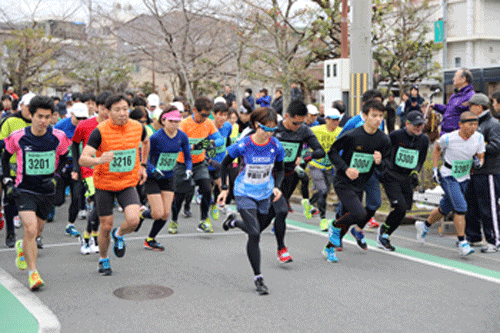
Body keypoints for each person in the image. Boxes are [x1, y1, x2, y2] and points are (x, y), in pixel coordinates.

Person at [3, 95, 71, 290]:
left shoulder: (58, 136)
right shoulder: (18, 136)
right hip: (25, 189)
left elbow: (66, 159)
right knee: (31, 229)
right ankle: (33, 273)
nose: (43, 121)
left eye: (47, 117)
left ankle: (21, 248)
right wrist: (7, 180)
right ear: (31, 115)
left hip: (46, 191)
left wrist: (57, 176)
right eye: (39, 116)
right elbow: (5, 157)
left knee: (37, 231)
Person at [79, 94, 150, 276]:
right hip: (105, 184)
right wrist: (99, 159)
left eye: (125, 109)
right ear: (108, 112)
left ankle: (119, 235)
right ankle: (103, 259)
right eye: (117, 110)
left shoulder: (138, 127)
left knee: (134, 220)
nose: (122, 113)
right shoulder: (100, 131)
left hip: (127, 182)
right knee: (106, 225)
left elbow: (146, 142)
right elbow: (83, 159)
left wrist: (143, 165)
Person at [217, 107, 284, 295]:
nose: (269, 133)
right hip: (244, 192)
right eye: (265, 128)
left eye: (272, 129)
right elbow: (225, 163)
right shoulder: (244, 144)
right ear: (256, 125)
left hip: (265, 193)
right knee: (255, 234)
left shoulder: (276, 145)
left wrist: (277, 186)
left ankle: (234, 222)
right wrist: (224, 187)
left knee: (258, 227)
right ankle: (258, 278)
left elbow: (280, 169)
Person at [323, 99, 391, 263]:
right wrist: (345, 168)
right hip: (343, 182)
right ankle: (334, 226)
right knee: (359, 214)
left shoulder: (383, 140)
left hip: (360, 183)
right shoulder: (353, 135)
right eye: (374, 115)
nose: (378, 119)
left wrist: (380, 161)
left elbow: (386, 166)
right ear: (365, 116)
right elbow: (332, 152)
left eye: (381, 116)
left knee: (353, 218)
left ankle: (329, 248)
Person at [415, 112, 484, 256]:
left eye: (476, 124)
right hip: (448, 175)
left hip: (464, 176)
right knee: (461, 207)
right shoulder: (449, 138)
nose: (473, 128)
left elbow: (480, 156)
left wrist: (479, 162)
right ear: (460, 125)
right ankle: (462, 242)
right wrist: (435, 169)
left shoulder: (478, 138)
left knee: (445, 208)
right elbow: (437, 150)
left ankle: (424, 225)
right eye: (470, 124)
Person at [269, 99, 325, 262]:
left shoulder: (304, 130)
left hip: (289, 176)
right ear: (286, 116)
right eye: (294, 123)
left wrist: (308, 156)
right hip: (269, 175)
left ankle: (245, 226)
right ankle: (281, 249)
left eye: (301, 123)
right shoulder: (274, 129)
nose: (297, 127)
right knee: (278, 211)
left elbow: (320, 151)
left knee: (276, 213)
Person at [169, 96, 224, 234]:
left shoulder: (209, 123)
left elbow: (220, 140)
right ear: (194, 110)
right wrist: (192, 146)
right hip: (183, 164)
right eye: (203, 114)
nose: (205, 117)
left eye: (208, 114)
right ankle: (174, 221)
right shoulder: (184, 124)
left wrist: (208, 144)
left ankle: (203, 221)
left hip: (200, 163)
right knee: (180, 195)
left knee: (206, 189)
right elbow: (176, 144)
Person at [140, 106, 191, 249]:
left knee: (165, 213)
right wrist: (152, 169)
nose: (174, 124)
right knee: (157, 213)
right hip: (153, 177)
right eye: (171, 121)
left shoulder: (182, 136)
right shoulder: (156, 137)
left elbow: (188, 157)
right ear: (163, 121)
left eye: (177, 121)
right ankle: (143, 214)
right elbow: (144, 156)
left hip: (168, 177)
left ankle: (150, 239)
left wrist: (189, 169)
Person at [378, 111, 429, 251]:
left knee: (404, 210)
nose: (419, 128)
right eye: (416, 125)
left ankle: (385, 230)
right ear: (407, 124)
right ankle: (384, 236)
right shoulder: (396, 135)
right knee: (399, 207)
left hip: (407, 178)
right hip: (391, 175)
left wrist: (415, 172)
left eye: (421, 125)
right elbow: (383, 151)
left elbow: (421, 159)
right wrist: (384, 167)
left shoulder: (424, 140)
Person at [72, 90, 112, 255]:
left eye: (109, 109)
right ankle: (91, 238)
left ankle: (88, 235)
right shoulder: (84, 125)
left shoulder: (116, 126)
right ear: (96, 107)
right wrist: (76, 168)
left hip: (109, 170)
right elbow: (74, 145)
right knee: (96, 200)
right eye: (103, 108)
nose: (106, 112)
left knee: (100, 205)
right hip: (89, 170)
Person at [464, 93, 500, 253]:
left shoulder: (492, 124)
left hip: (489, 171)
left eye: (471, 106)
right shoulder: (475, 124)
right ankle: (473, 236)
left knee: (488, 207)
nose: (469, 109)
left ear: (479, 107)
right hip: (473, 171)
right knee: (471, 205)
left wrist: (478, 148)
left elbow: (496, 145)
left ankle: (494, 239)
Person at [0, 92, 34, 248]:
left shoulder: (39, 121)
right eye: (29, 107)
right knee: (10, 201)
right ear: (21, 106)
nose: (31, 111)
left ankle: (35, 236)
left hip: (32, 169)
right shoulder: (9, 121)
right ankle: (10, 232)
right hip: (12, 167)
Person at [54, 102, 89, 238]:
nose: (81, 121)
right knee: (59, 201)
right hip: (63, 165)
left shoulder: (89, 127)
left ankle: (70, 225)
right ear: (72, 114)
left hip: (79, 165)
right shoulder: (60, 126)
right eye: (78, 118)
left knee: (76, 197)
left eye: (83, 118)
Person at [309, 108, 342, 231]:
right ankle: (323, 219)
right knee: (322, 190)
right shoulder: (317, 130)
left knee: (325, 192)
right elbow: (303, 134)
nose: (335, 122)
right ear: (326, 119)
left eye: (337, 120)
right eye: (332, 119)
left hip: (330, 166)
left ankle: (310, 202)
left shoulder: (341, 132)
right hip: (316, 164)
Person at [430, 68, 475, 135]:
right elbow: (449, 109)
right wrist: (435, 106)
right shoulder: (455, 95)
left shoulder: (470, 96)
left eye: (455, 76)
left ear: (463, 79)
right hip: (445, 134)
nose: (453, 79)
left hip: (456, 136)